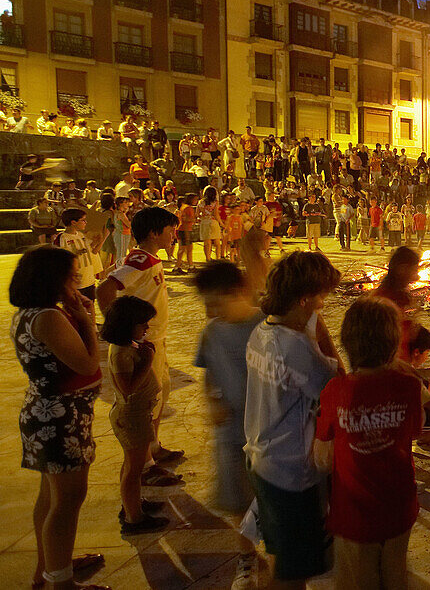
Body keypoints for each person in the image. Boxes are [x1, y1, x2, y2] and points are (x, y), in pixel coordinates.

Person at [10, 246, 108, 590]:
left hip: (49, 413)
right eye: (71, 276)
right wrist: (86, 321)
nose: (76, 282)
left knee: (51, 499)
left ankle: (49, 569)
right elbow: (87, 364)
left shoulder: (32, 313)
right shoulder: (48, 317)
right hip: (58, 418)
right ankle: (61, 583)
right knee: (67, 502)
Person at [245, 251, 342, 589]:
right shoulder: (297, 346)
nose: (322, 306)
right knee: (291, 573)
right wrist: (323, 334)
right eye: (320, 300)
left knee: (280, 555)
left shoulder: (262, 332)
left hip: (264, 459)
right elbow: (337, 383)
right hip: (293, 472)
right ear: (304, 300)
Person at [312, 297, 423, 590]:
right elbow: (416, 430)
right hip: (399, 507)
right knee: (396, 578)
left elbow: (321, 458)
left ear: (348, 344)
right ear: (393, 345)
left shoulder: (335, 391)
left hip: (354, 515)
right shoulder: (409, 385)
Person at [192, 262, 266, 589]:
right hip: (231, 435)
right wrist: (213, 401)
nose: (210, 311)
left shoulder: (266, 326)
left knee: (272, 498)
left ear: (239, 292)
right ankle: (247, 558)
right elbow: (209, 374)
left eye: (215, 302)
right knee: (237, 500)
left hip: (269, 435)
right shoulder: (211, 332)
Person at [97, 207, 184, 476]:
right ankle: (145, 465)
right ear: (154, 233)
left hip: (156, 339)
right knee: (145, 401)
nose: (174, 235)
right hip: (145, 342)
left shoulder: (149, 259)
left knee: (159, 394)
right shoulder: (139, 260)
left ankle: (154, 447)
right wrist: (120, 331)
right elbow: (106, 288)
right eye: (171, 230)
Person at [101, 296, 170, 535]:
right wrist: (147, 362)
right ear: (127, 325)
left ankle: (132, 503)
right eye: (143, 324)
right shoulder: (121, 352)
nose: (147, 328)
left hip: (138, 415)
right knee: (134, 468)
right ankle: (134, 518)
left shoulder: (128, 345)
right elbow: (126, 388)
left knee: (131, 464)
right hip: (132, 416)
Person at [54, 208, 99, 301]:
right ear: (73, 222)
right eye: (83, 220)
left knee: (90, 305)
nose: (85, 222)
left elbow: (90, 251)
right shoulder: (62, 238)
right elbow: (60, 259)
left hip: (89, 279)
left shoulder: (81, 235)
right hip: (76, 282)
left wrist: (98, 241)